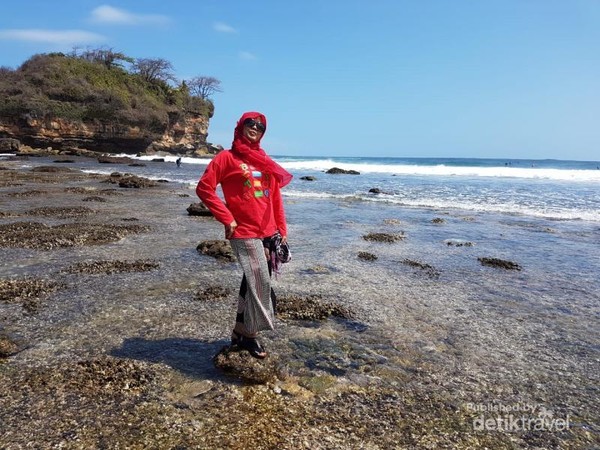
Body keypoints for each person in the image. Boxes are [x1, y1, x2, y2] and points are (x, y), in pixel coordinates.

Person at [196, 112, 292, 359]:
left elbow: (275, 197)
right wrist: (226, 217)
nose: (255, 128)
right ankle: (250, 337)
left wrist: (282, 228)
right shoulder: (226, 158)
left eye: (261, 126)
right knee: (261, 283)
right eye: (251, 123)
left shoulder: (263, 159)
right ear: (240, 126)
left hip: (269, 232)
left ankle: (239, 332)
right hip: (244, 232)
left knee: (250, 284)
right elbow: (204, 188)